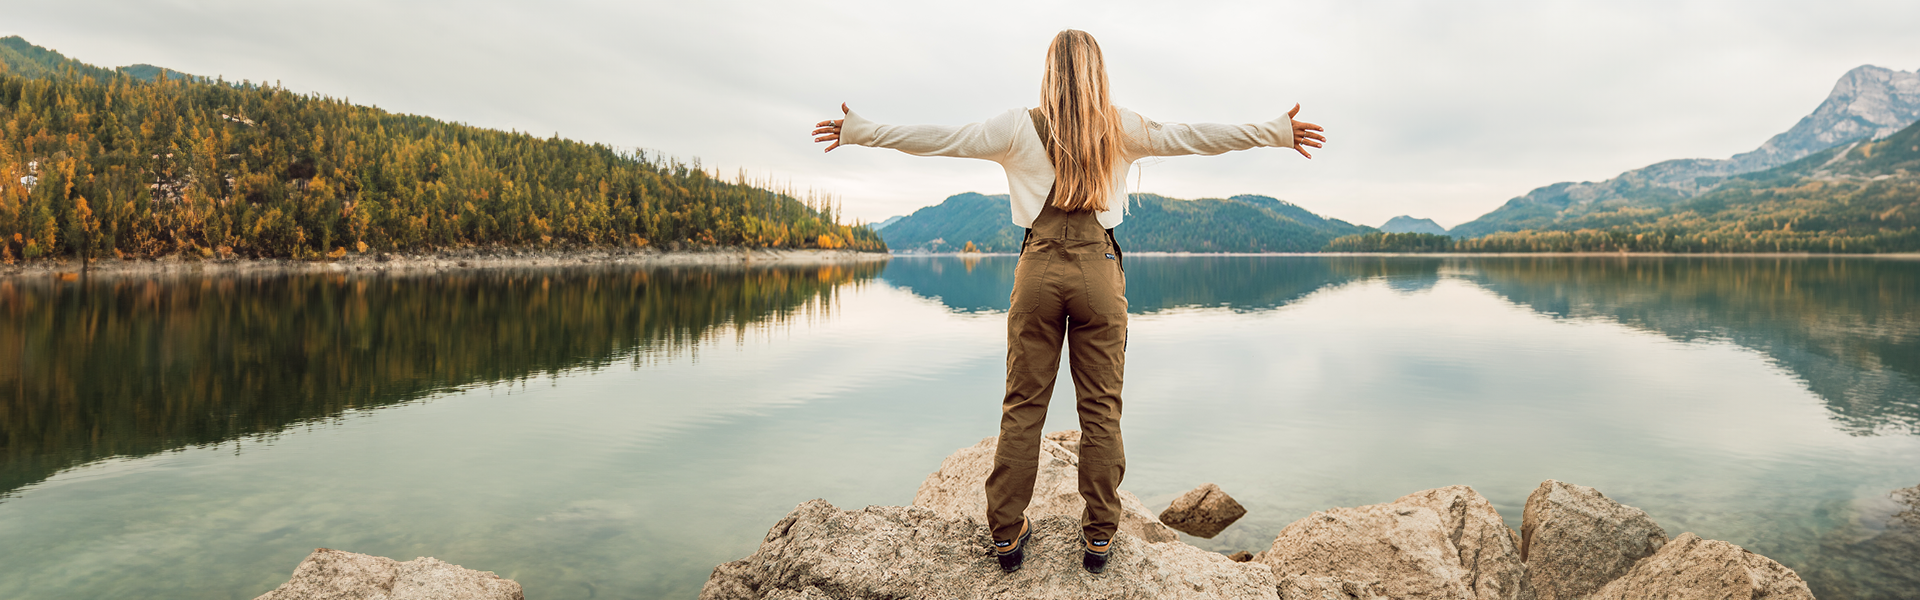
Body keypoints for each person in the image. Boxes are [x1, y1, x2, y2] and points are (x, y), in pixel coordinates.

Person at [810, 29, 1324, 575]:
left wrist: (858, 130)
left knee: (1023, 405)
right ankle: (1099, 537)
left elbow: (941, 138)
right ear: (1097, 73)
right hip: (1098, 274)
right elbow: (1194, 136)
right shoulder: (1120, 126)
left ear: (1049, 71)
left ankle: (1007, 534)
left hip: (1037, 272)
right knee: (1101, 410)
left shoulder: (1015, 127)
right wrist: (1276, 131)